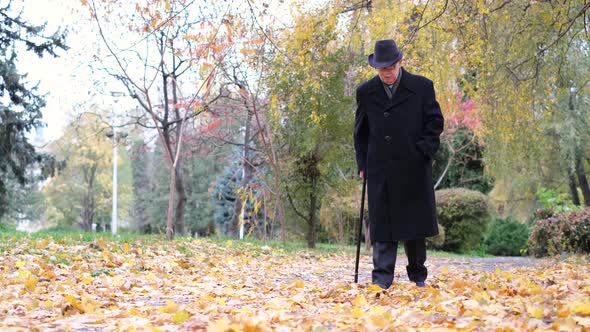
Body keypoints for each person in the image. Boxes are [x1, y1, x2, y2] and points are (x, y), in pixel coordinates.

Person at [354, 39, 444, 289]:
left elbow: (435, 123)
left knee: (414, 226)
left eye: (390, 68)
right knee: (383, 224)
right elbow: (360, 133)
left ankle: (418, 275)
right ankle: (381, 279)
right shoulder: (366, 92)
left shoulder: (422, 87)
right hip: (380, 168)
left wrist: (423, 151)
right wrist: (362, 163)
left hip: (413, 166)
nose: (386, 73)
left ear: (400, 63)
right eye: (381, 69)